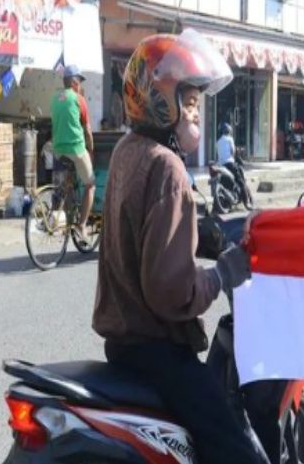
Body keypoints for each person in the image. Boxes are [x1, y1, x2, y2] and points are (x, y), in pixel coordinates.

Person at [92, 29, 268, 464]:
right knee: (236, 451)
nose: (197, 114)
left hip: (123, 346)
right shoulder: (167, 167)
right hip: (159, 353)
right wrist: (225, 272)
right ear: (159, 101)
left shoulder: (128, 151)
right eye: (189, 102)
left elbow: (146, 235)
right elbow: (171, 293)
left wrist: (216, 238)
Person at [50, 65, 95, 244]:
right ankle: (81, 226)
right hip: (76, 148)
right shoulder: (79, 99)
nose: (80, 86)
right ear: (75, 82)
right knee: (90, 185)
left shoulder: (54, 99)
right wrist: (91, 149)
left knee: (68, 186)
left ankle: (69, 221)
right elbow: (88, 130)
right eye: (80, 82)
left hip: (58, 149)